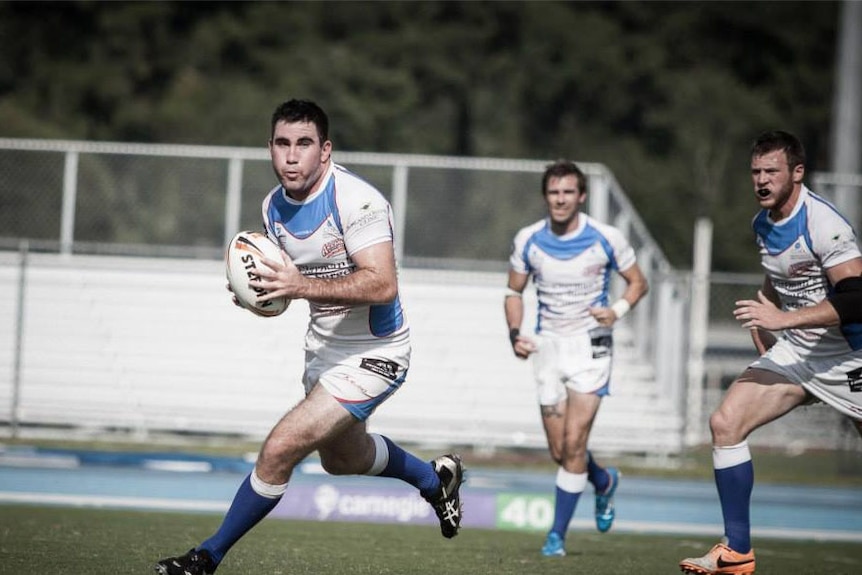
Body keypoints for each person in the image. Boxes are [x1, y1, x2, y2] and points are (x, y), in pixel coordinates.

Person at [155, 99, 465, 575]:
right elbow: (286, 288)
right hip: (323, 350)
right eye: (282, 144)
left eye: (304, 144)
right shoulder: (272, 208)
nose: (292, 156)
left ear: (325, 151)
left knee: (281, 448)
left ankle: (205, 557)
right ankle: (433, 479)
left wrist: (299, 287)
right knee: (344, 460)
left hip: (377, 351)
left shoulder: (357, 202)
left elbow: (383, 284)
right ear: (270, 150)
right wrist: (257, 294)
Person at [679, 130, 862, 575]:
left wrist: (783, 320)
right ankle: (737, 551)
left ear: (797, 173)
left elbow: (857, 299)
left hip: (849, 357)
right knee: (725, 422)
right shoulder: (762, 222)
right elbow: (779, 277)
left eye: (771, 172)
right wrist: (767, 316)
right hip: (798, 353)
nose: (761, 180)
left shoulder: (824, 223)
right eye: (755, 172)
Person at [504, 159, 648, 557]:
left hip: (591, 347)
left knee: (574, 443)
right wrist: (516, 335)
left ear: (581, 196)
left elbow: (638, 283)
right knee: (560, 452)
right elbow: (513, 293)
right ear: (546, 196)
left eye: (568, 192)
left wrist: (616, 311)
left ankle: (556, 538)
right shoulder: (528, 240)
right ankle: (602, 480)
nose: (560, 199)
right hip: (548, 348)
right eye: (554, 192)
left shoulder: (607, 237)